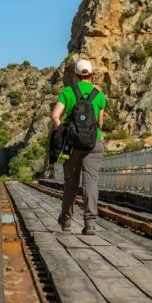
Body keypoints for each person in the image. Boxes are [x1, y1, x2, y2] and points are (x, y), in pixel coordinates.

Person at [50, 59, 106, 235]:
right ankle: (90, 223)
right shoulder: (99, 95)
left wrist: (64, 132)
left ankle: (66, 218)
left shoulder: (67, 92)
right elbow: (100, 123)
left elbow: (54, 116)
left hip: (72, 144)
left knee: (71, 183)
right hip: (93, 143)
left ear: (75, 75)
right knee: (91, 183)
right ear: (92, 74)